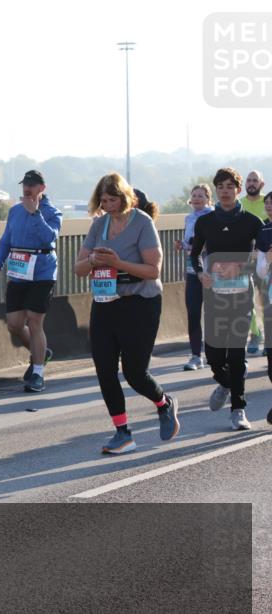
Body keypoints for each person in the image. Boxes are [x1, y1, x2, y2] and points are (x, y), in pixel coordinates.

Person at [74, 174, 178, 454]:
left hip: (140, 303)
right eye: (103, 200)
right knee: (104, 370)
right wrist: (94, 260)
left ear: (124, 197)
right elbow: (78, 268)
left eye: (112, 199)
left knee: (134, 373)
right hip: (105, 302)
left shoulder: (142, 222)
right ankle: (122, 432)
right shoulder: (99, 225)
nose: (107, 205)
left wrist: (118, 262)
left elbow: (153, 270)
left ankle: (163, 403)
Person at [190, 167, 266, 431]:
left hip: (242, 296)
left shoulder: (251, 223)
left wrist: (243, 268)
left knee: (236, 354)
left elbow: (261, 257)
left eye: (229, 186)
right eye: (220, 186)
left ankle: (238, 410)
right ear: (217, 191)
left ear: (238, 190)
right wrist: (201, 274)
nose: (224, 190)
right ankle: (225, 382)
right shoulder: (205, 222)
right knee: (213, 355)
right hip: (214, 296)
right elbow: (195, 254)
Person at [0, 169, 63, 392]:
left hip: (42, 271)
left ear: (42, 188)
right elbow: (6, 241)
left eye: (32, 184)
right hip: (19, 271)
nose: (27, 188)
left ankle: (38, 373)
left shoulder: (52, 213)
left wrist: (35, 214)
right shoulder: (14, 211)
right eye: (25, 185)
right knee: (14, 324)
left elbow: (50, 238)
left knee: (35, 321)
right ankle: (42, 352)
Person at [175, 184, 214, 370]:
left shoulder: (213, 216)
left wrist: (202, 246)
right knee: (193, 313)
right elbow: (189, 242)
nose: (197, 198)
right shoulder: (188, 218)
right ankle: (195, 356)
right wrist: (182, 245)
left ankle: (216, 353)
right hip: (192, 271)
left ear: (208, 199)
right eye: (194, 195)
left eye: (201, 195)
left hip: (211, 271)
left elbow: (215, 242)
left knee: (213, 314)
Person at [252, 192, 272, 422]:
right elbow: (260, 272)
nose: (269, 207)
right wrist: (267, 258)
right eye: (267, 204)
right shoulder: (264, 232)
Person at [242, 171, 266, 353]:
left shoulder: (268, 203)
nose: (251, 183)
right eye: (249, 180)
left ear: (262, 184)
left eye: (255, 180)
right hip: (244, 260)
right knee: (247, 300)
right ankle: (255, 333)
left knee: (267, 301)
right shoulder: (239, 204)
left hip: (266, 260)